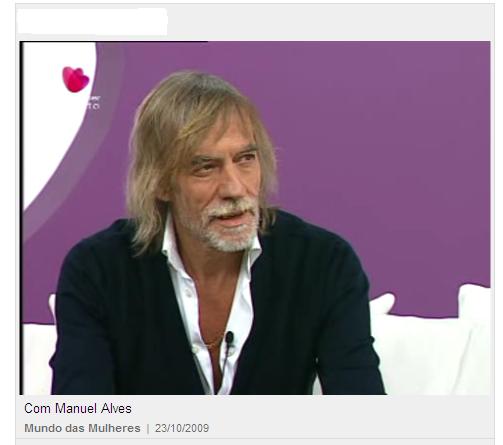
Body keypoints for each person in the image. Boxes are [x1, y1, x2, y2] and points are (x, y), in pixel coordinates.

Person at [50, 71, 385, 395]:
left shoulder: (323, 263)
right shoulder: (97, 270)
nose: (234, 188)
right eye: (206, 167)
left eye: (246, 159)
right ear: (161, 183)